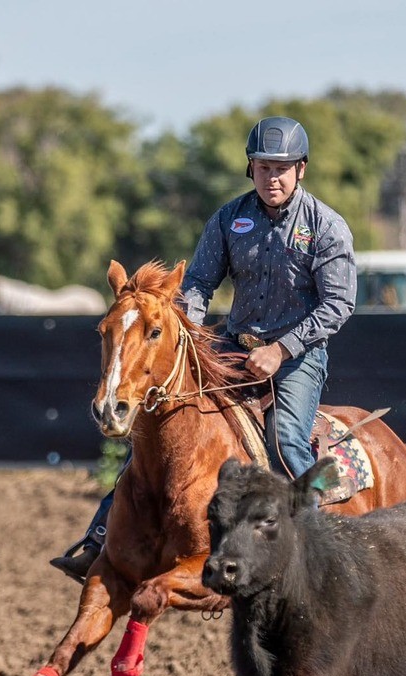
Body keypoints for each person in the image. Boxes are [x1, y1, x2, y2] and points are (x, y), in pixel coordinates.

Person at [52, 115, 357, 582]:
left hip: (298, 357)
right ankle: (98, 538)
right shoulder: (229, 219)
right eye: (263, 167)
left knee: (285, 437)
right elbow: (196, 284)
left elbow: (339, 303)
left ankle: (317, 545)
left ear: (301, 170)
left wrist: (282, 348)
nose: (272, 177)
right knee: (167, 426)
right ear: (250, 169)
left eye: (282, 168)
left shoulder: (326, 226)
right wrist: (184, 328)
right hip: (232, 346)